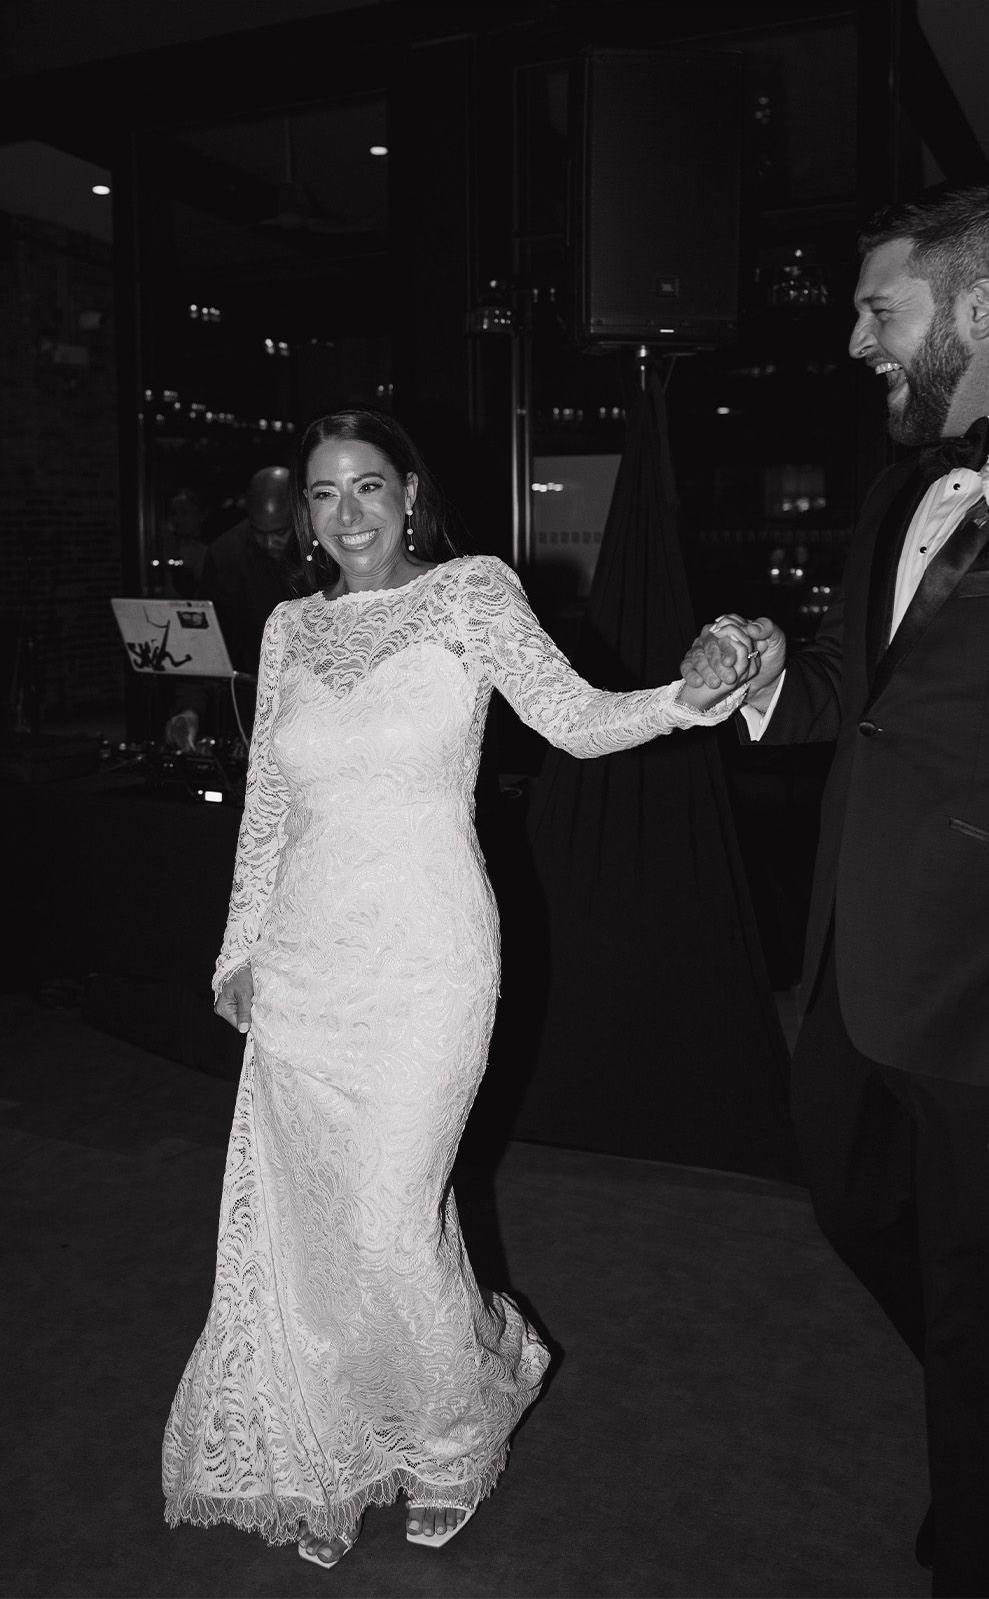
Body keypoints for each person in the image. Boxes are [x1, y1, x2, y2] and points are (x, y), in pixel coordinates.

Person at [162, 404, 757, 1567]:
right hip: (305, 966)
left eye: (368, 486)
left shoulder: (473, 591)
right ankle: (336, 1442)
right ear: (301, 514)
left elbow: (574, 720)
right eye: (324, 494)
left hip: (430, 952)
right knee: (321, 1222)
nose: (348, 514)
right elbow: (270, 809)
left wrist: (686, 701)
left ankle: (454, 1426)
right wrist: (238, 949)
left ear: (410, 494)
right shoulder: (288, 627)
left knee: (388, 1218)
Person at [683, 180, 989, 1597]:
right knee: (854, 1211)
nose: (853, 341)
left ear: (973, 306)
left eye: (875, 309)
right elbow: (864, 698)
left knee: (982, 1324)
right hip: (857, 970)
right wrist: (767, 678)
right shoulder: (905, 483)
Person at [165, 466, 295, 750]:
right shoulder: (227, 555)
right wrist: (189, 708)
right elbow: (207, 639)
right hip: (254, 701)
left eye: (281, 533)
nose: (271, 542)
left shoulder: (322, 543)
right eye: (262, 534)